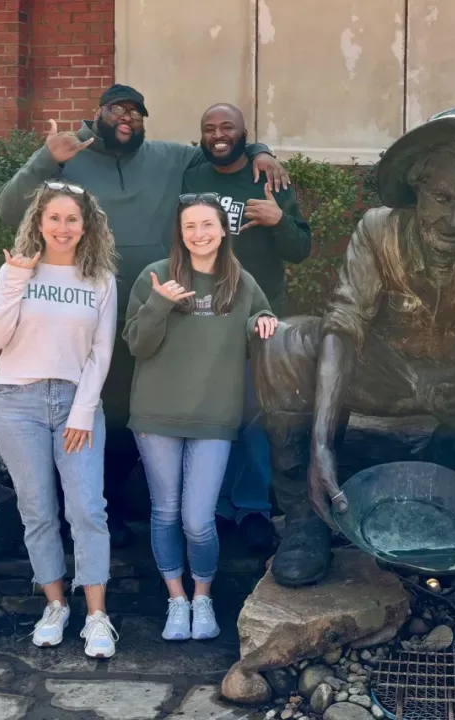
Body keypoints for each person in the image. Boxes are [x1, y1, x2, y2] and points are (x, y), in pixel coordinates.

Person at [251, 108, 455, 587]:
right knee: (283, 344)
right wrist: (322, 445)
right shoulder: (378, 229)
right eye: (441, 197)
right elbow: (345, 323)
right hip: (384, 369)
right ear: (416, 187)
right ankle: (307, 520)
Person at [0, 84, 289, 547]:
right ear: (100, 113)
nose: (127, 118)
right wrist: (46, 159)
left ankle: (136, 507)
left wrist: (260, 150)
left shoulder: (170, 157)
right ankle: (89, 513)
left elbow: (220, 148)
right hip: (87, 307)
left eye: (136, 112)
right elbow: (10, 209)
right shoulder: (69, 157)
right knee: (95, 407)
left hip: (159, 309)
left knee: (144, 410)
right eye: (118, 109)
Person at [123, 195, 277, 641]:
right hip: (156, 415)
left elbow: (261, 319)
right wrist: (159, 304)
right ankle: (176, 599)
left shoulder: (241, 282)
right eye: (189, 226)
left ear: (223, 229)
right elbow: (136, 343)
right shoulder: (156, 275)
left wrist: (264, 321)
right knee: (166, 512)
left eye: (207, 224)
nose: (199, 233)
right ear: (180, 232)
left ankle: (203, 597)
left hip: (214, 417)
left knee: (198, 518)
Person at [0, 181, 119, 658]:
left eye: (72, 219)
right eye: (54, 218)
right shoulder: (15, 271)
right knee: (37, 509)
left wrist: (83, 410)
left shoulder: (100, 279)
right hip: (17, 402)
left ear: (86, 226)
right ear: (39, 222)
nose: (63, 227)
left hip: (76, 405)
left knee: (86, 508)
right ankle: (56, 604)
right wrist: (16, 278)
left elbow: (102, 352)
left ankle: (97, 615)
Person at [183, 103, 312, 553]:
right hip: (202, 317)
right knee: (214, 415)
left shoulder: (268, 178)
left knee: (258, 417)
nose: (218, 134)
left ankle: (253, 507)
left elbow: (300, 248)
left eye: (228, 128)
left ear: (244, 133)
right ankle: (215, 506)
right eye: (209, 128)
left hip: (261, 319)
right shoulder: (191, 172)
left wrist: (279, 222)